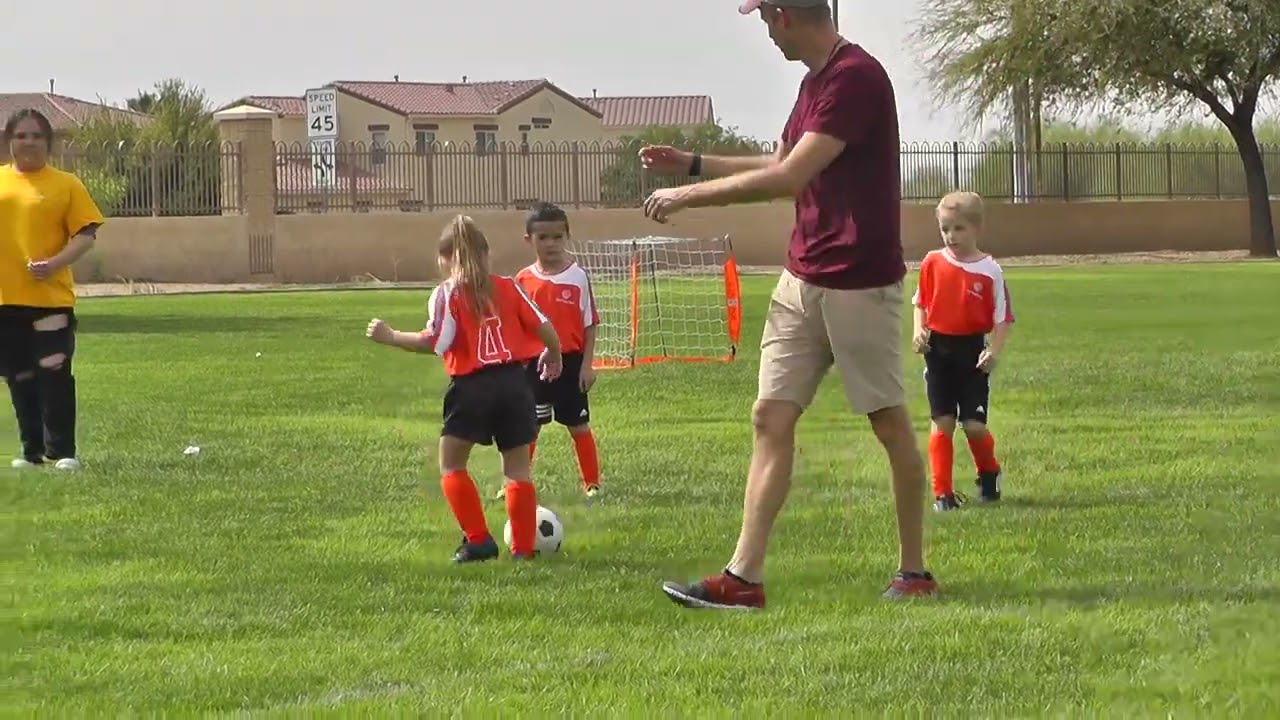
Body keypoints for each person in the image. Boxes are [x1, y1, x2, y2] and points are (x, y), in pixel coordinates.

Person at [639, 0, 937, 609]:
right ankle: (742, 578)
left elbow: (789, 179)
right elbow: (781, 162)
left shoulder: (856, 76)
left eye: (764, 19)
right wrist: (693, 161)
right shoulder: (815, 83)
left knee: (887, 422)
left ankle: (915, 572)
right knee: (769, 418)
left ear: (784, 15)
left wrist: (690, 194)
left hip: (858, 280)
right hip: (802, 277)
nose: (766, 34)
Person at [365, 214, 564, 562]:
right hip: (515, 385)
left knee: (452, 464)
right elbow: (544, 326)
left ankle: (478, 540)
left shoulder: (447, 294)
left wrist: (392, 336)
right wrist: (554, 354)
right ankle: (522, 550)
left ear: (444, 259)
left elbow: (437, 342)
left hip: (472, 387)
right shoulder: (508, 286)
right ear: (486, 255)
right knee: (518, 470)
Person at [0, 108, 105, 472]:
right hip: (5, 299)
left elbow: (87, 234)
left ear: (49, 142)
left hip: (50, 297)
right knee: (20, 376)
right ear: (9, 141)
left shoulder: (66, 184)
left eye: (36, 136)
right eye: (20, 136)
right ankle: (31, 453)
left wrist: (56, 263)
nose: (28, 142)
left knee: (54, 368)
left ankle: (62, 453)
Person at [911, 191, 1013, 511]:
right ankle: (942, 494)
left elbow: (1003, 319)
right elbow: (921, 303)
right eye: (945, 229)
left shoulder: (990, 270)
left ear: (977, 228)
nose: (950, 236)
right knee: (942, 421)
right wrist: (919, 331)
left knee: (973, 425)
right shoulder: (932, 262)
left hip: (972, 355)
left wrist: (993, 351)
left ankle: (988, 472)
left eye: (958, 228)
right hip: (938, 351)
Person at [509, 201, 603, 501]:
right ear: (529, 240)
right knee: (529, 428)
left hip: (571, 363)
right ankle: (516, 484)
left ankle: (592, 484)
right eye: (543, 237)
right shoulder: (522, 280)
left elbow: (589, 325)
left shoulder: (578, 277)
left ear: (567, 237)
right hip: (534, 365)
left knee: (578, 424)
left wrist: (588, 366)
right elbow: (516, 327)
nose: (551, 243)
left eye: (557, 237)